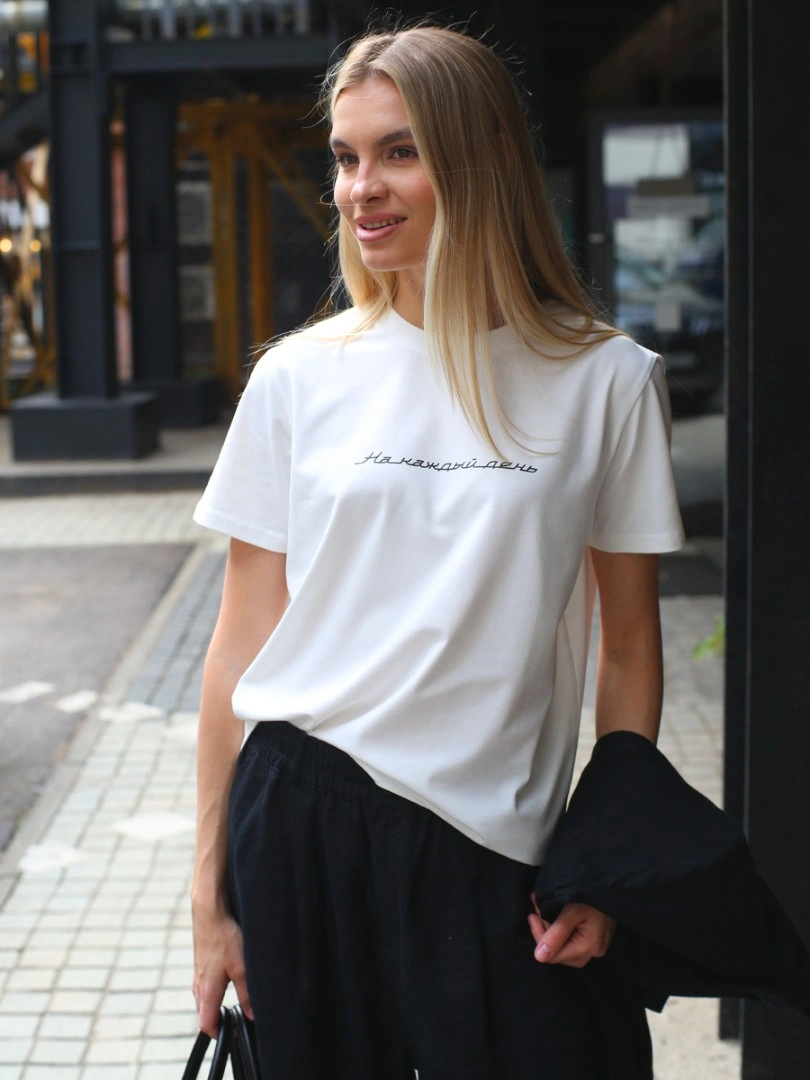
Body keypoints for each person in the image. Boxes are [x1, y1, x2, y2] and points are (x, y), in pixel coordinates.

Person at [190, 23, 685, 1080]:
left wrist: (606, 859)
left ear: (485, 159)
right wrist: (208, 897)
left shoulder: (608, 382)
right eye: (345, 157)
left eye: (400, 152)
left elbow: (630, 649)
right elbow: (238, 647)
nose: (359, 188)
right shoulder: (296, 379)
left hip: (502, 845)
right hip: (304, 819)